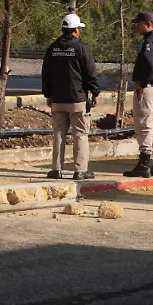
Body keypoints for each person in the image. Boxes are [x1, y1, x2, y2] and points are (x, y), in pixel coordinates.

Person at [42, 13, 101, 180]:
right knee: (80, 134)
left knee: (58, 134)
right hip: (77, 99)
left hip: (57, 99)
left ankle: (56, 170)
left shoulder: (52, 48)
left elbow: (46, 73)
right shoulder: (82, 48)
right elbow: (90, 72)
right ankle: (80, 170)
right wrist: (95, 92)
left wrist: (48, 94)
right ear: (76, 30)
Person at [124, 11, 153, 178]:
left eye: (139, 24)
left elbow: (148, 63)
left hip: (147, 89)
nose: (137, 27)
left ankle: (144, 164)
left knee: (143, 125)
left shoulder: (149, 41)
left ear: (148, 24)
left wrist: (142, 81)